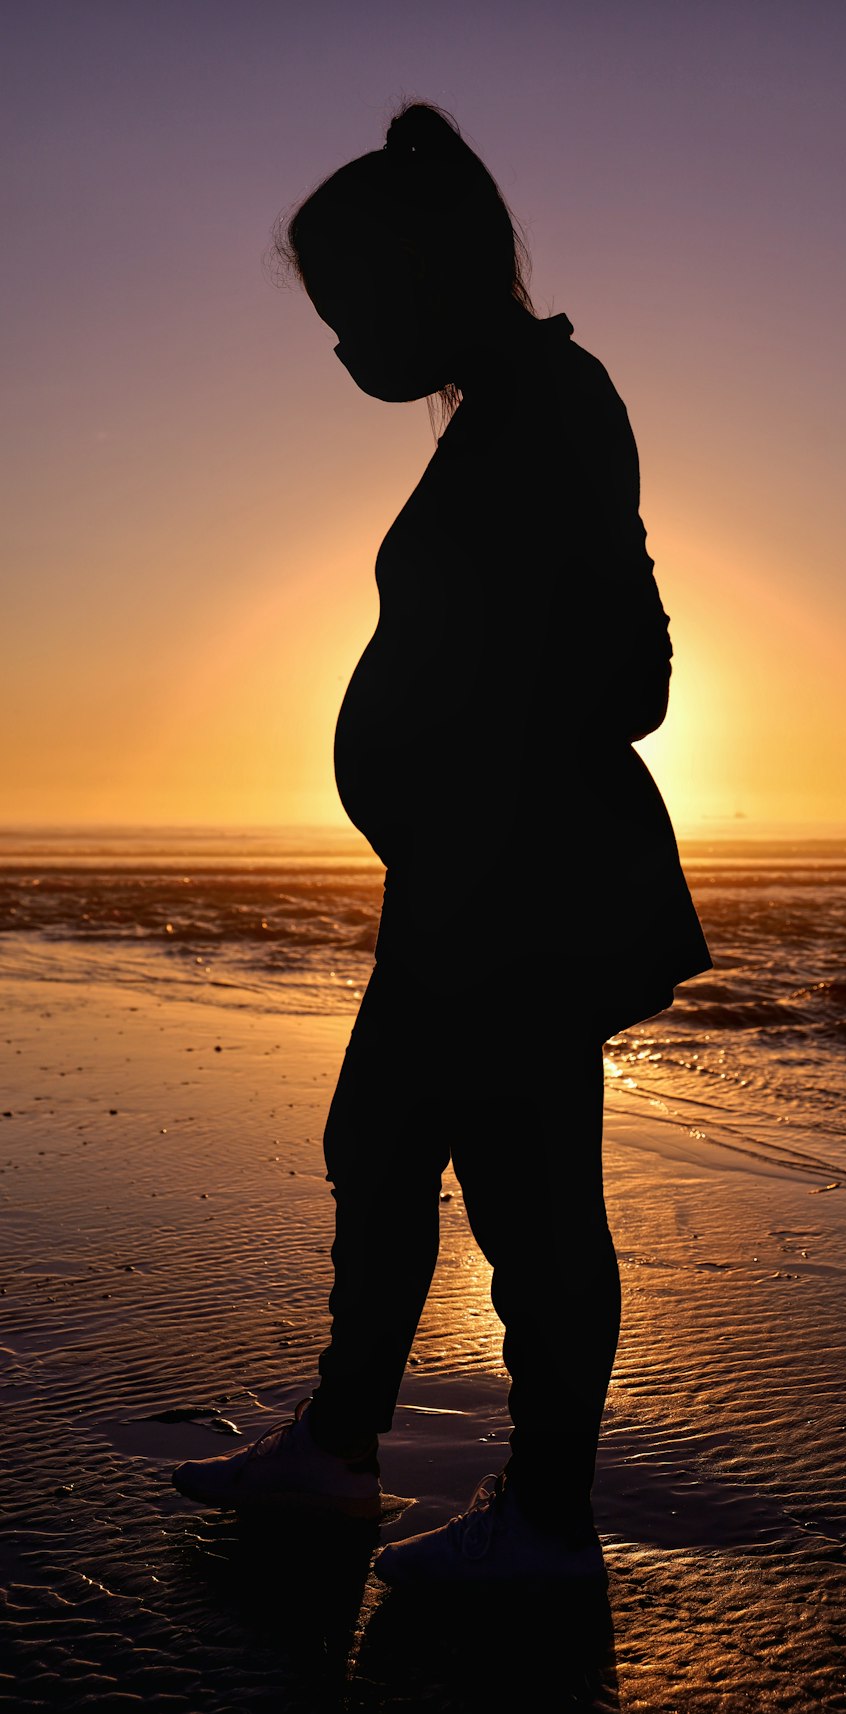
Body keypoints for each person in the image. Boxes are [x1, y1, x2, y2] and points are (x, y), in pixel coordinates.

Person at [172, 101, 712, 1585]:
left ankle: (546, 1519)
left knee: (534, 1202)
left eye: (353, 311)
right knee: (382, 1143)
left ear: (429, 274)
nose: (345, 349)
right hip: (461, 880)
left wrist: (476, 749)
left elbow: (638, 668)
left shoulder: (556, 398)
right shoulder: (504, 410)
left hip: (520, 886)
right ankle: (341, 1449)